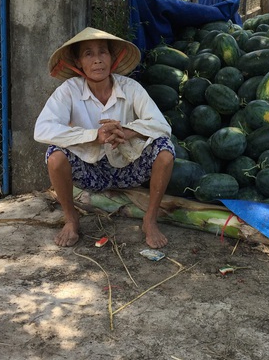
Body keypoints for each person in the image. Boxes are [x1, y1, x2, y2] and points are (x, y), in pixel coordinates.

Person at [34, 27, 175, 248]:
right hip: (90, 173)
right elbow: (42, 129)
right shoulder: (68, 91)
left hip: (130, 169)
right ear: (79, 62)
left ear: (113, 58)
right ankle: (71, 220)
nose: (97, 60)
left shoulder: (131, 88)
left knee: (165, 150)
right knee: (54, 155)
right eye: (88, 53)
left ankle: (150, 219)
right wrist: (93, 136)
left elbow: (162, 125)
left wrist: (128, 131)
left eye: (103, 52)